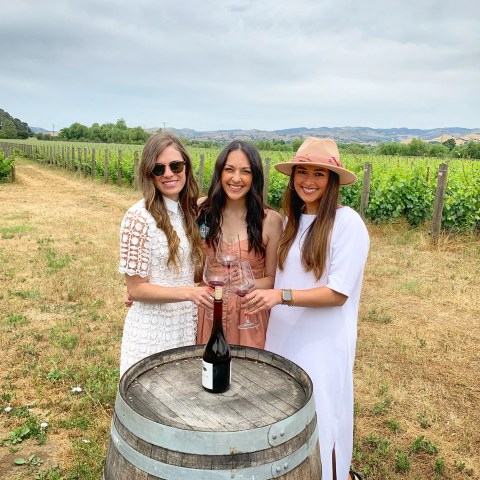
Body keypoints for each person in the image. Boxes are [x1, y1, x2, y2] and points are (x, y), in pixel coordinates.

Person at [244, 137, 369, 480]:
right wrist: (234, 288)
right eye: (302, 171)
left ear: (332, 181)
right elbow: (281, 278)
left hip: (323, 341)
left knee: (321, 415)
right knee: (282, 411)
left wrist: (281, 296)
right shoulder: (290, 222)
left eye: (319, 173)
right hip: (283, 335)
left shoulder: (348, 224)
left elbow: (337, 294)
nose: (308, 180)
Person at [118, 132, 213, 377]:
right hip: (152, 330)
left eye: (175, 165)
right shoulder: (138, 217)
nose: (169, 174)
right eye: (158, 169)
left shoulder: (191, 211)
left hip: (186, 324)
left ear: (186, 167)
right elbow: (136, 289)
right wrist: (189, 293)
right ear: (149, 174)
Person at [196, 140, 283, 348]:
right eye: (229, 170)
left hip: (248, 316)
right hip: (208, 313)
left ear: (255, 177)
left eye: (245, 171)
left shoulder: (270, 220)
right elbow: (191, 266)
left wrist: (249, 281)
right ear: (220, 173)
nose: (236, 178)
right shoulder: (201, 209)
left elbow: (273, 280)